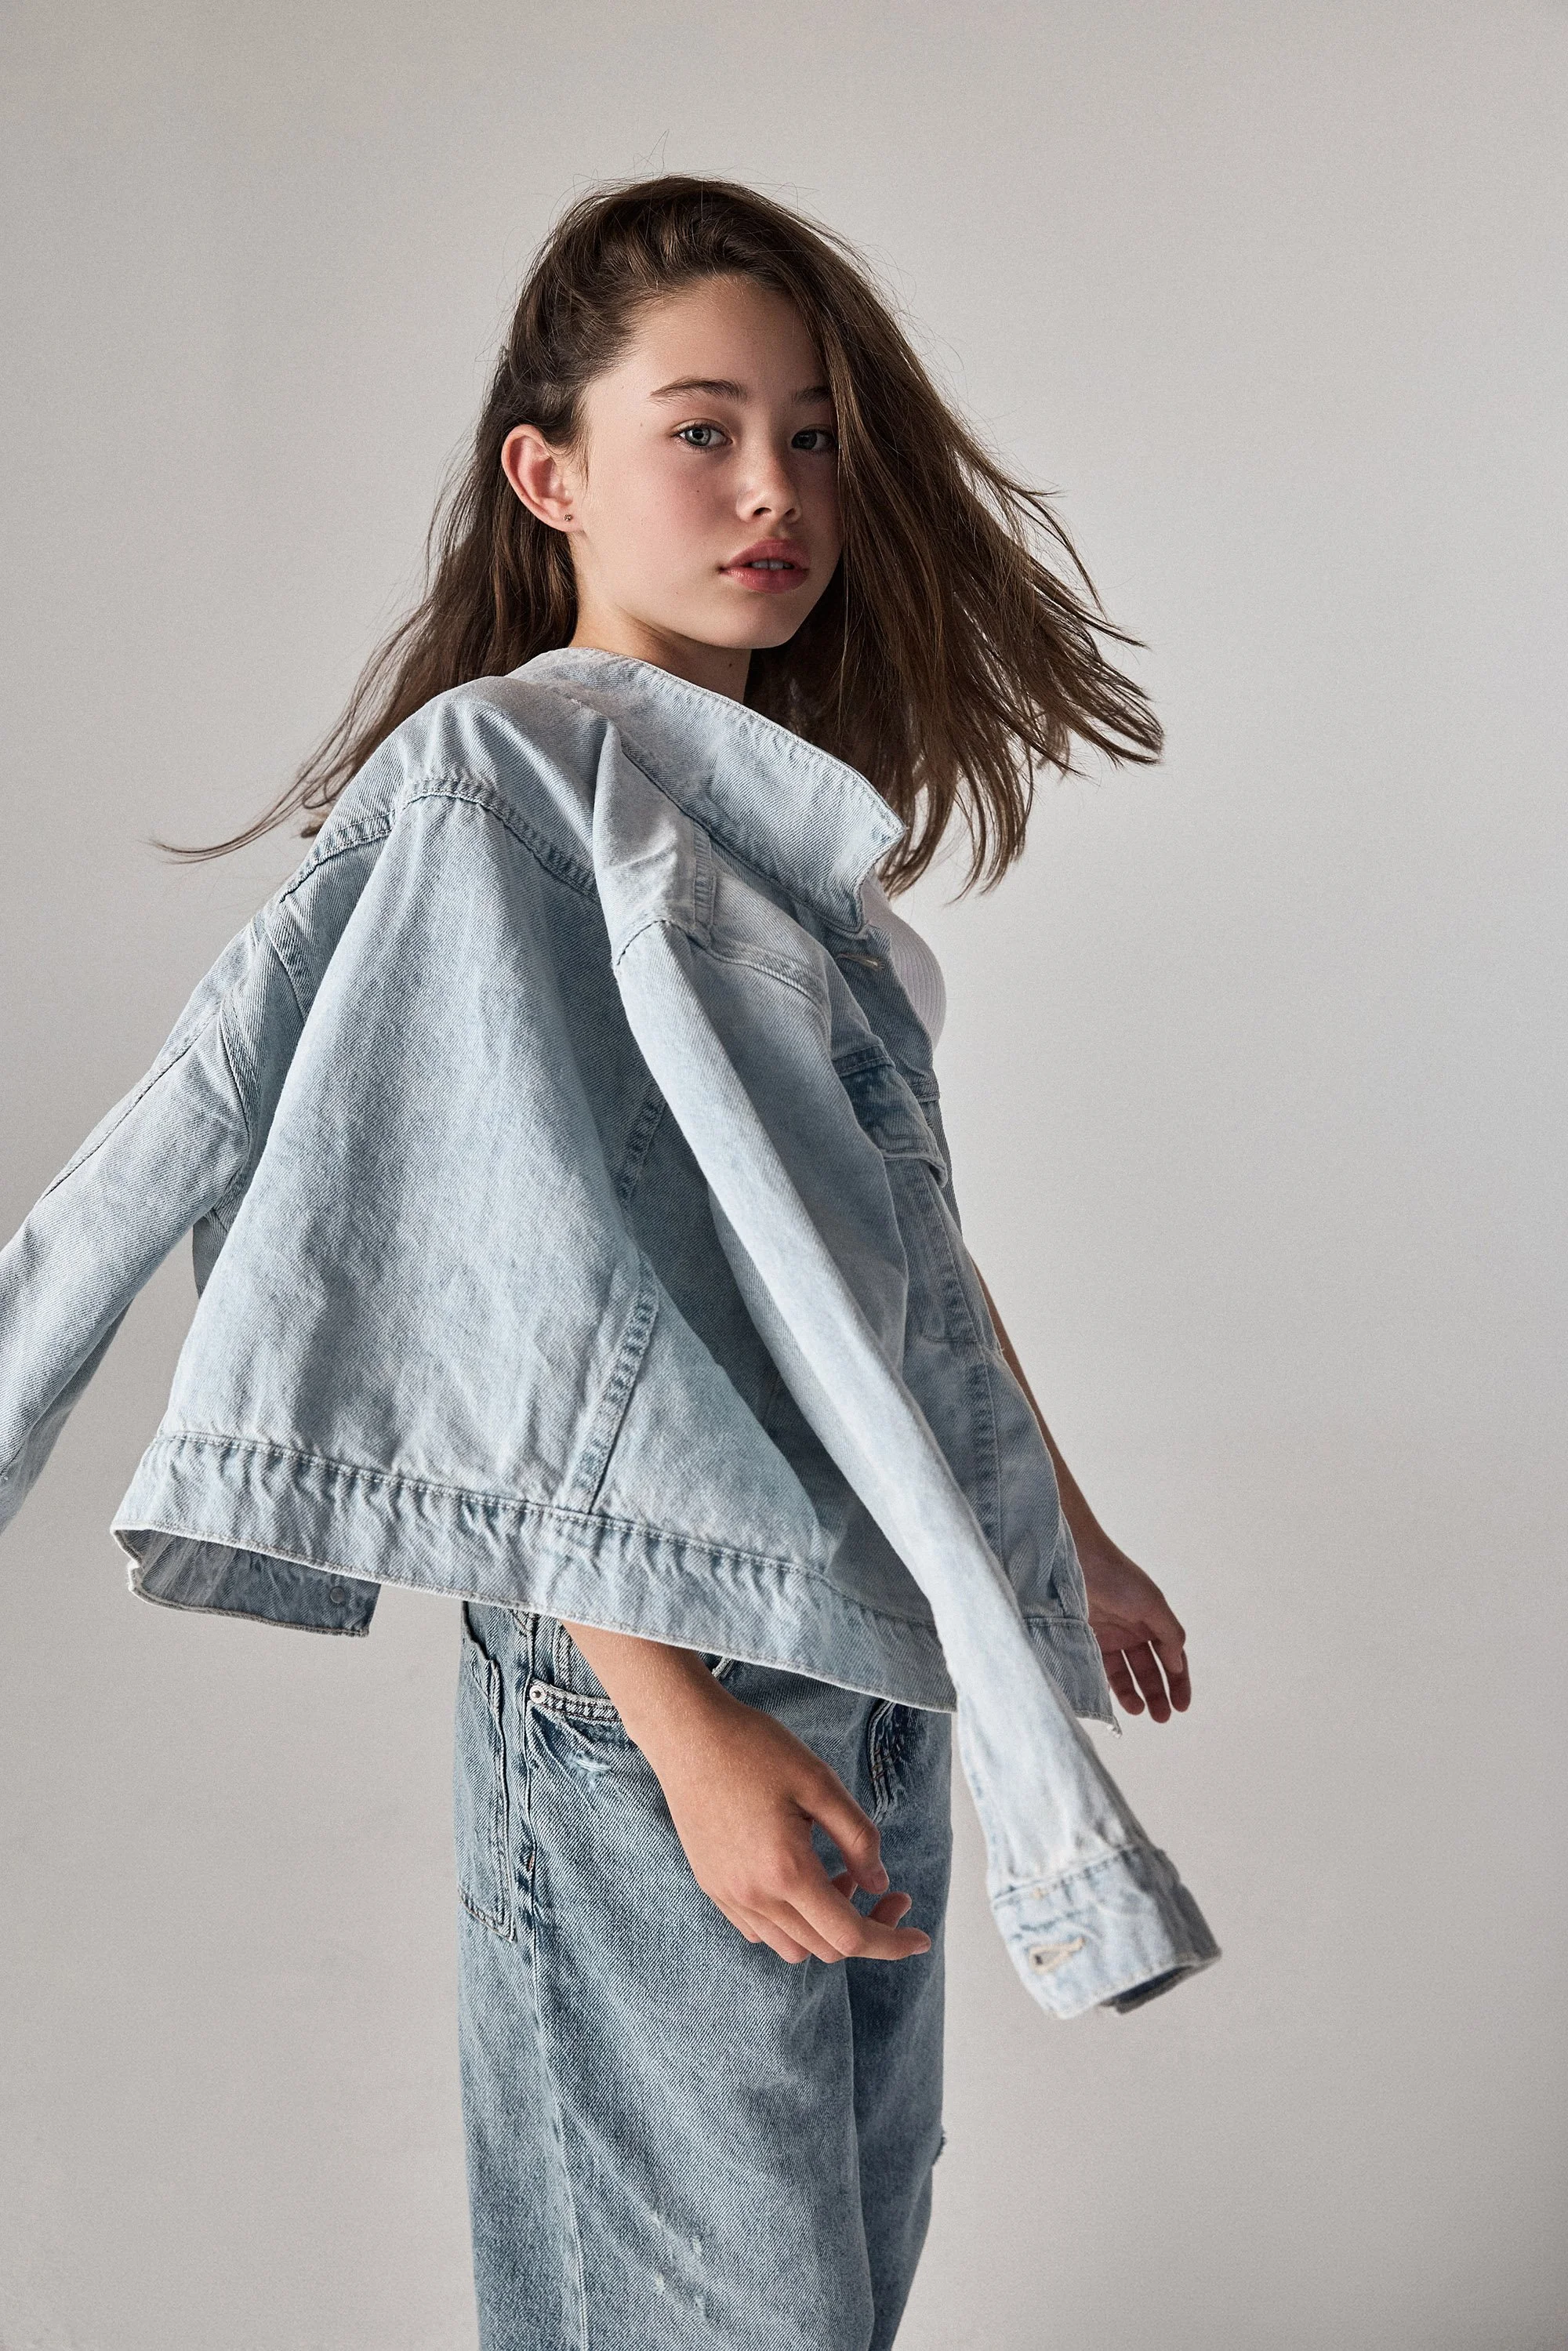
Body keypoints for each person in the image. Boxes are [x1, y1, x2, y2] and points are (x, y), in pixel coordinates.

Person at [0, 176, 1215, 2348]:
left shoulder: (749, 811)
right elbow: (490, 1296)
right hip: (651, 1664)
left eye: (816, 437)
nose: (777, 490)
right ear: (548, 475)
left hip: (861, 1645)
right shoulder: (496, 786)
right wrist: (667, 1719)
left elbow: (887, 1238)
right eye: (706, 427)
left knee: (823, 2293)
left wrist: (1064, 1533)